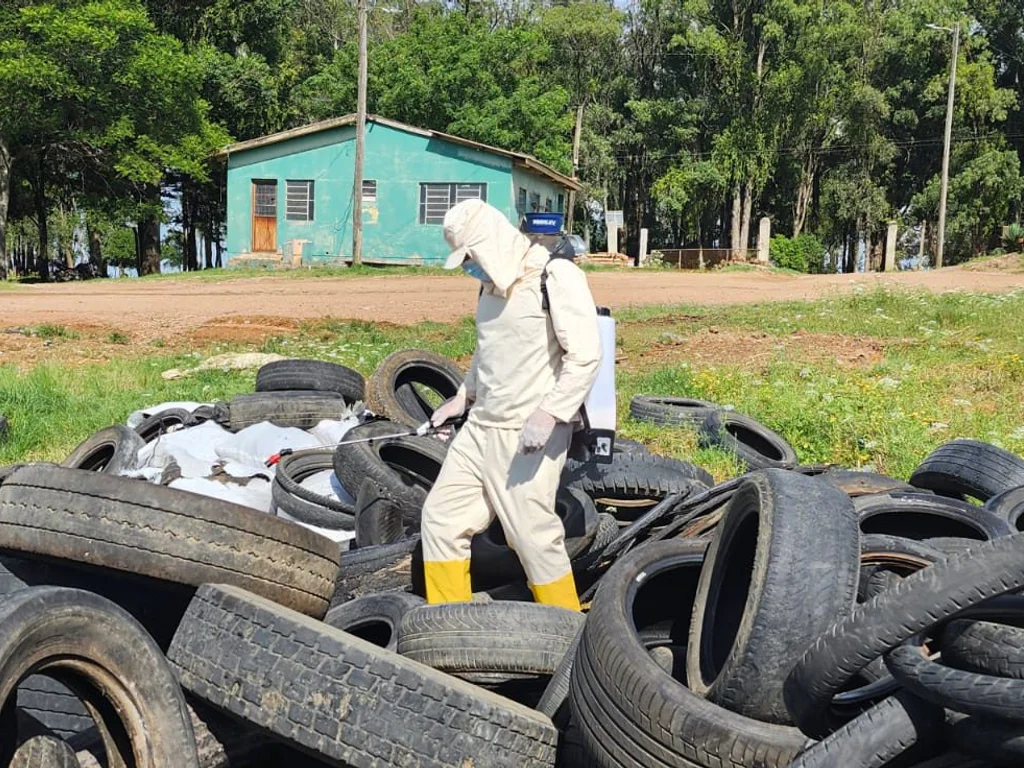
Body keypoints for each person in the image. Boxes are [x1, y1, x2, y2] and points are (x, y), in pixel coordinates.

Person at [419, 198, 601, 611]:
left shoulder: (554, 276)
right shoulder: (489, 287)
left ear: (491, 243)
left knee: (530, 535)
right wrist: (462, 397)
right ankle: (449, 628)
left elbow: (586, 355)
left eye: (470, 257)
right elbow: (488, 350)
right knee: (441, 519)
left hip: (528, 433)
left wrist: (550, 413)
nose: (469, 267)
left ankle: (565, 630)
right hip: (481, 427)